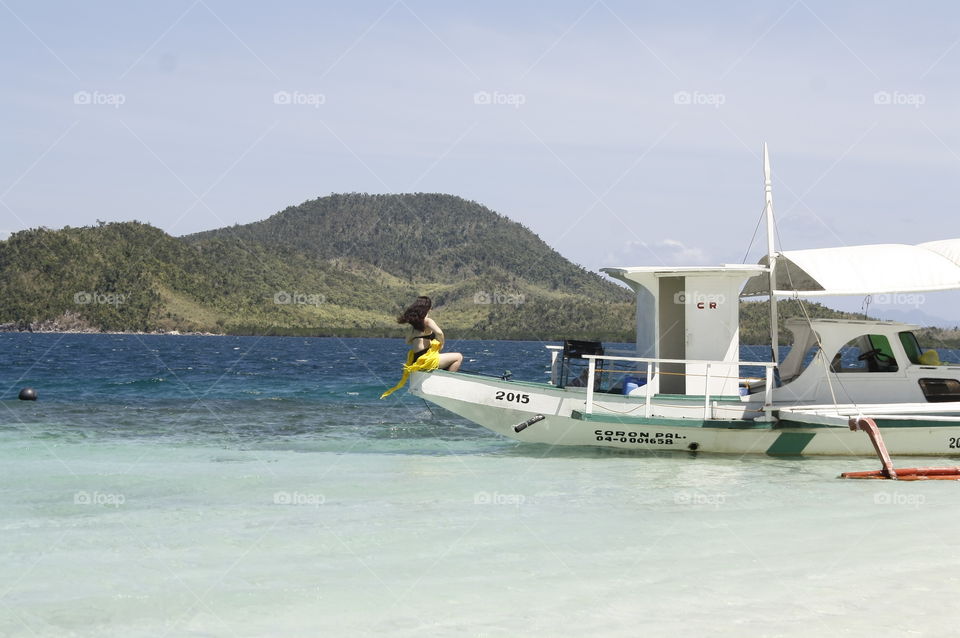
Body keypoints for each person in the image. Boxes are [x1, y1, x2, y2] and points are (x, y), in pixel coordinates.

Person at [398, 296, 462, 371]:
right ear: (427, 308)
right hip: (426, 360)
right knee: (458, 357)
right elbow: (439, 333)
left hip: (416, 359)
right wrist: (441, 344)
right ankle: (448, 381)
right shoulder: (427, 321)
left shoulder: (413, 326)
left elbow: (407, 341)